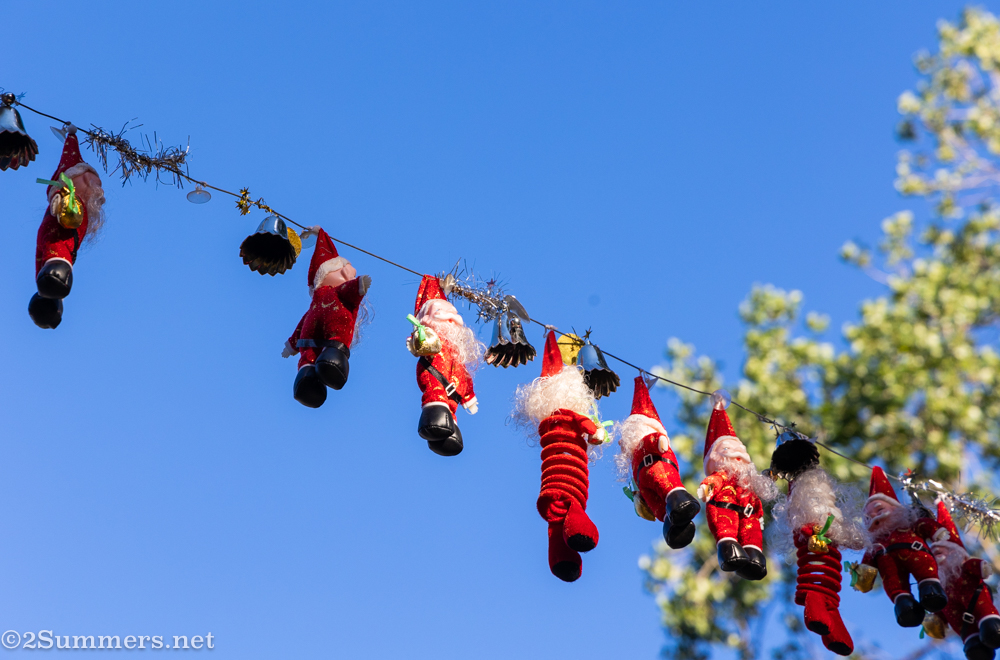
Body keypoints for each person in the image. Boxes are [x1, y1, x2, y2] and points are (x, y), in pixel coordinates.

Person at [29, 126, 106, 329]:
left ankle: (49, 292)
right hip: (57, 256)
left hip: (56, 255)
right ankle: (48, 298)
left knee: (55, 272)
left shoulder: (70, 204)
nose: (96, 189)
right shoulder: (73, 204)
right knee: (54, 273)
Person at [283, 228, 370, 408]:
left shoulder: (340, 293)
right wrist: (291, 345)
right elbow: (303, 322)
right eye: (342, 273)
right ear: (323, 276)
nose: (347, 277)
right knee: (308, 358)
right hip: (309, 340)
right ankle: (307, 379)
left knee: (331, 355)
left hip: (333, 339)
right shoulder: (316, 300)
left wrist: (359, 284)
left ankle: (333, 364)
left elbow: (350, 290)